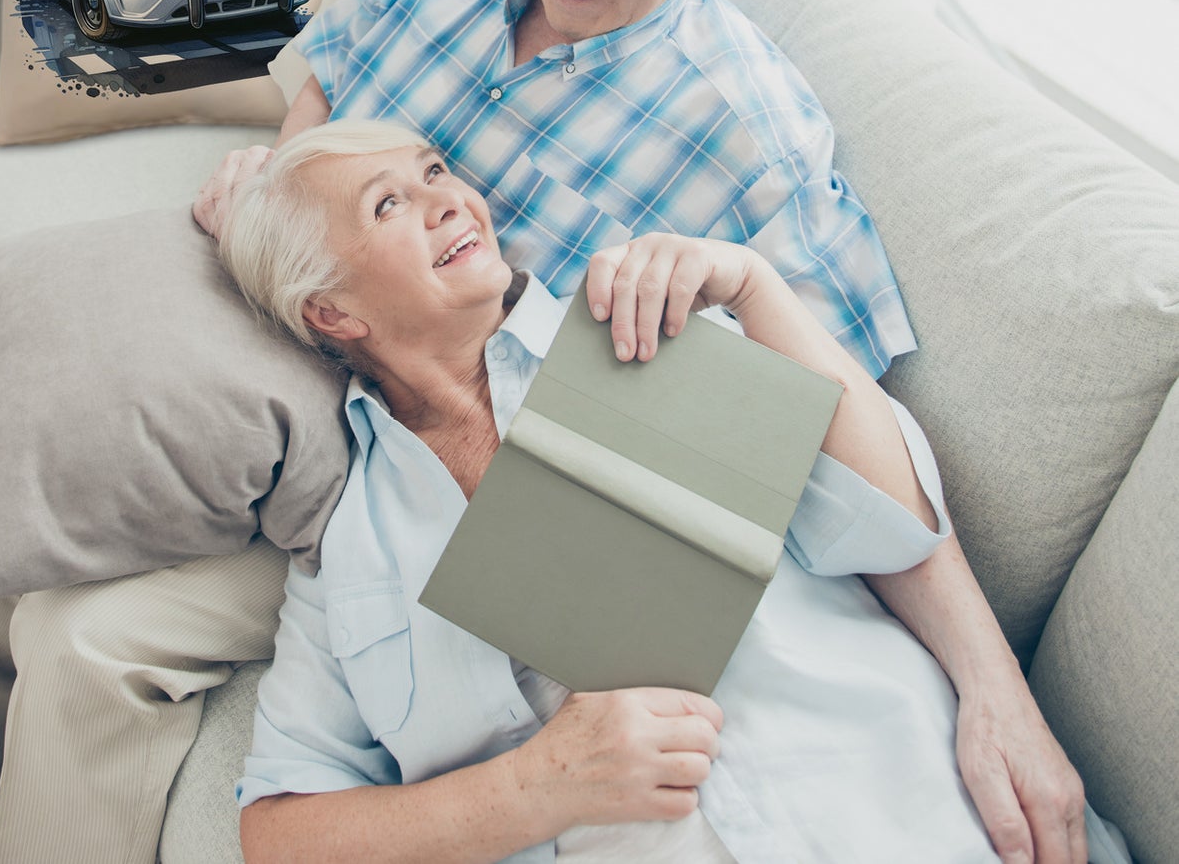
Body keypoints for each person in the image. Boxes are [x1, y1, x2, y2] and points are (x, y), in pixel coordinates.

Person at [0, 0, 1082, 864]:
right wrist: (279, 184)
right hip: (315, 308)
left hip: (427, 434)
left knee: (89, 637)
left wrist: (994, 686)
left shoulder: (750, 143)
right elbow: (326, 91)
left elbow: (837, 440)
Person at [221, 120, 1116, 864]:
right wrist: (536, 786)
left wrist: (755, 288)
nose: (448, 198)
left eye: (434, 171)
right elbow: (278, 832)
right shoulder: (348, 551)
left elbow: (892, 524)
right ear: (331, 312)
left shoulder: (644, 326)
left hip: (910, 810)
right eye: (389, 203)